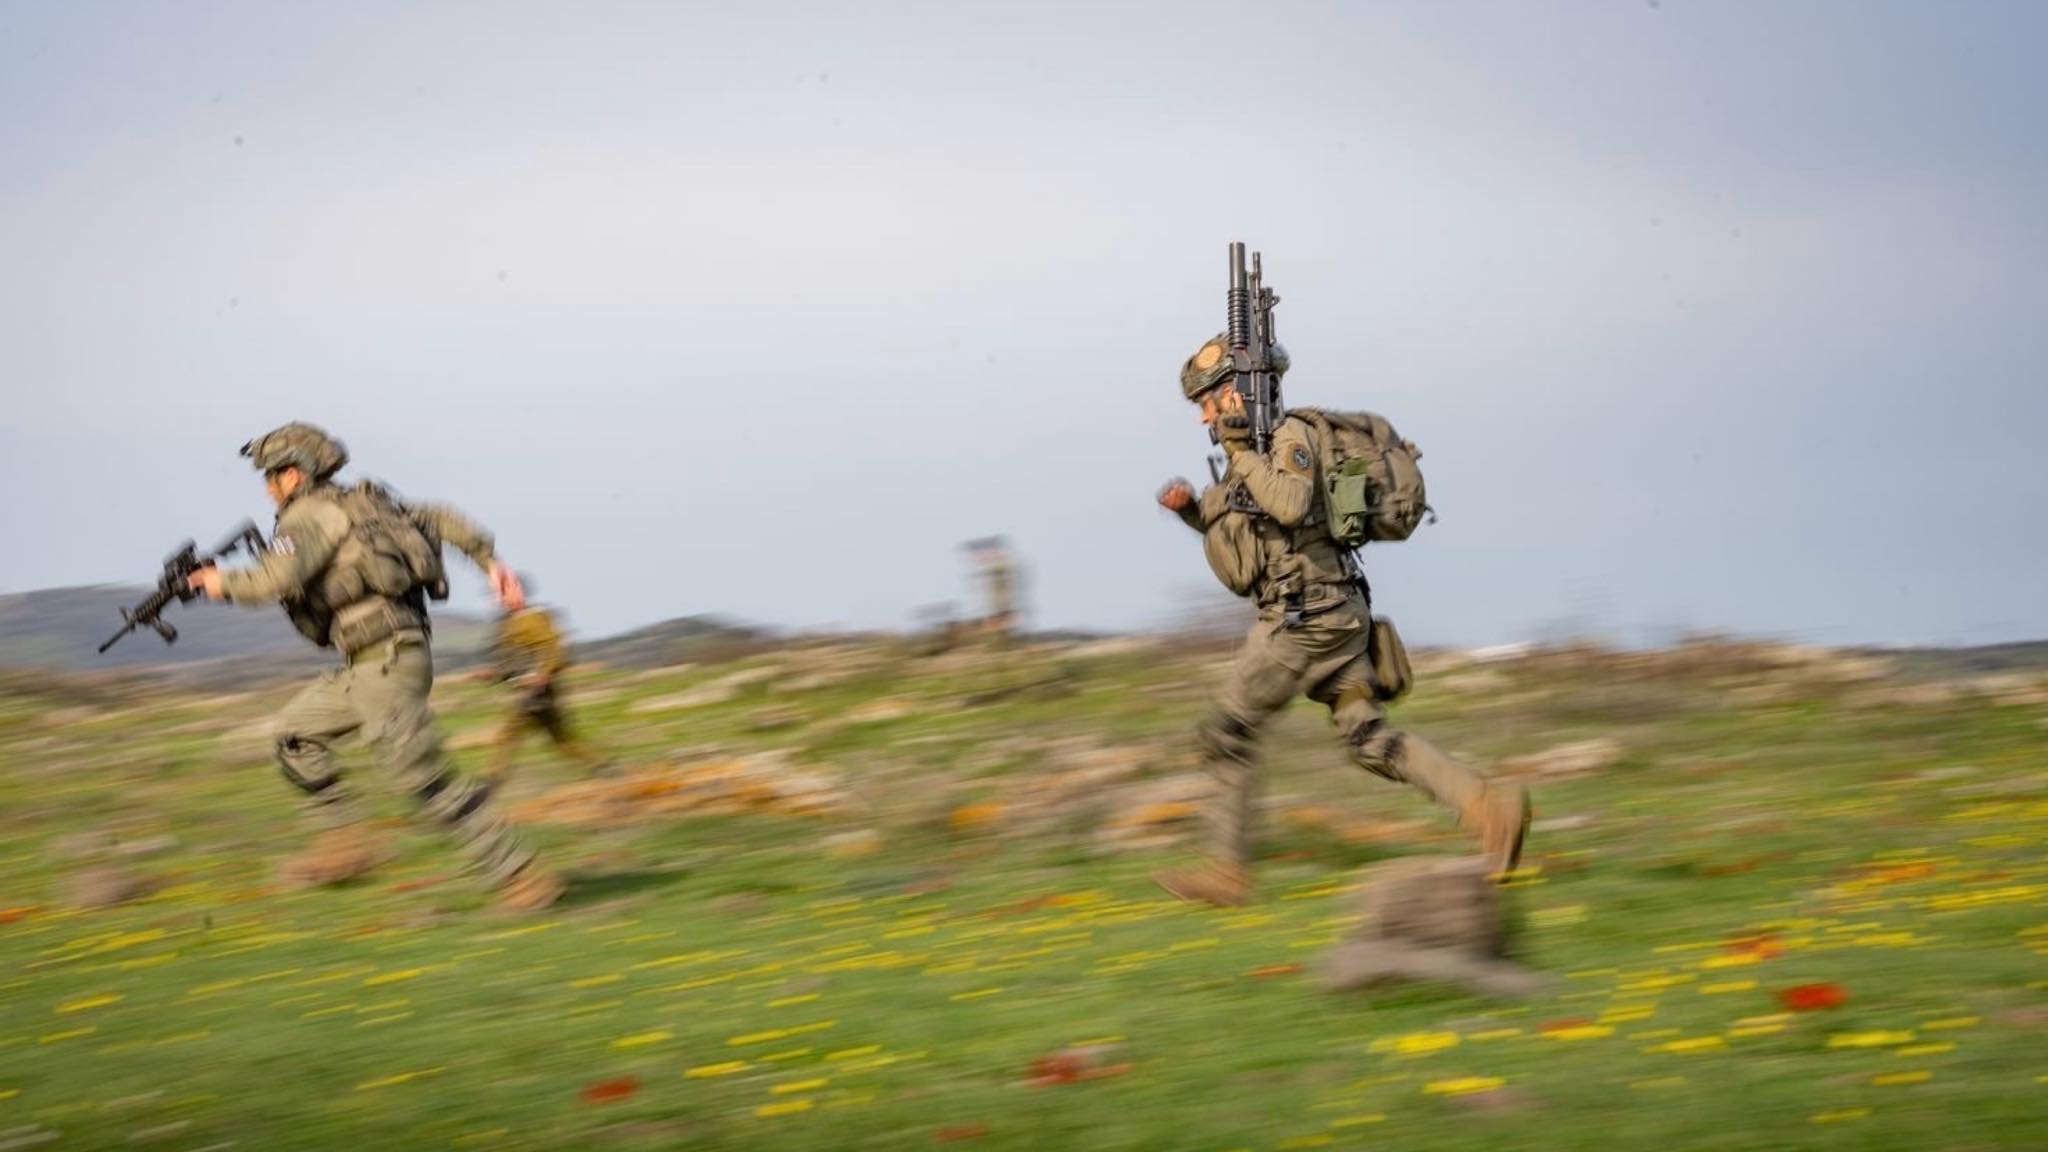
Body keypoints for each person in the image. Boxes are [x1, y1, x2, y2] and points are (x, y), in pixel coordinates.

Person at [1152, 336, 1529, 907]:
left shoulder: (1287, 439)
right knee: (1368, 738)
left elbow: (1290, 505)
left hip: (1304, 623)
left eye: (1207, 400)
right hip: (1333, 619)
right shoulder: (1252, 447)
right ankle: (1489, 808)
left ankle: (1228, 874)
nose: (1203, 414)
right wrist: (1189, 512)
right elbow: (1243, 516)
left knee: (1227, 733)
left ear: (1233, 393)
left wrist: (1239, 452)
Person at [187, 422, 563, 912]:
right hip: (374, 665)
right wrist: (490, 561)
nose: (267, 487)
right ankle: (345, 847)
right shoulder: (366, 504)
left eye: (272, 475)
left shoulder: (308, 518)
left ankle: (522, 879)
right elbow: (440, 518)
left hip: (386, 663)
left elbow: (273, 580)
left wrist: (220, 583)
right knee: (294, 735)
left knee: (426, 783)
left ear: (296, 475)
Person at [486, 577, 610, 784]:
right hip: (531, 689)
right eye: (498, 594)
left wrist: (542, 674)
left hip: (537, 691)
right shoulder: (511, 622)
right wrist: (495, 674)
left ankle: (493, 781)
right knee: (560, 738)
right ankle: (603, 767)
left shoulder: (532, 618)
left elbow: (553, 647)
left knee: (509, 735)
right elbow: (514, 658)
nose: (499, 598)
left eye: (503, 592)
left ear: (518, 592)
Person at [963, 536, 1021, 644]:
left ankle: (1002, 639)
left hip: (1000, 606)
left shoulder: (1001, 564)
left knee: (1001, 626)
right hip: (996, 608)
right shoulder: (998, 565)